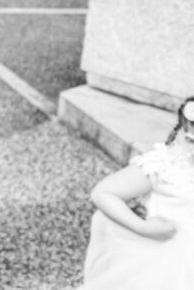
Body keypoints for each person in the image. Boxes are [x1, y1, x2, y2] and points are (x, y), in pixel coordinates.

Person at [80, 97, 194, 289]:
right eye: (191, 139)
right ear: (185, 133)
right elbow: (104, 192)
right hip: (170, 263)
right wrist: (143, 228)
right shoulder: (167, 164)